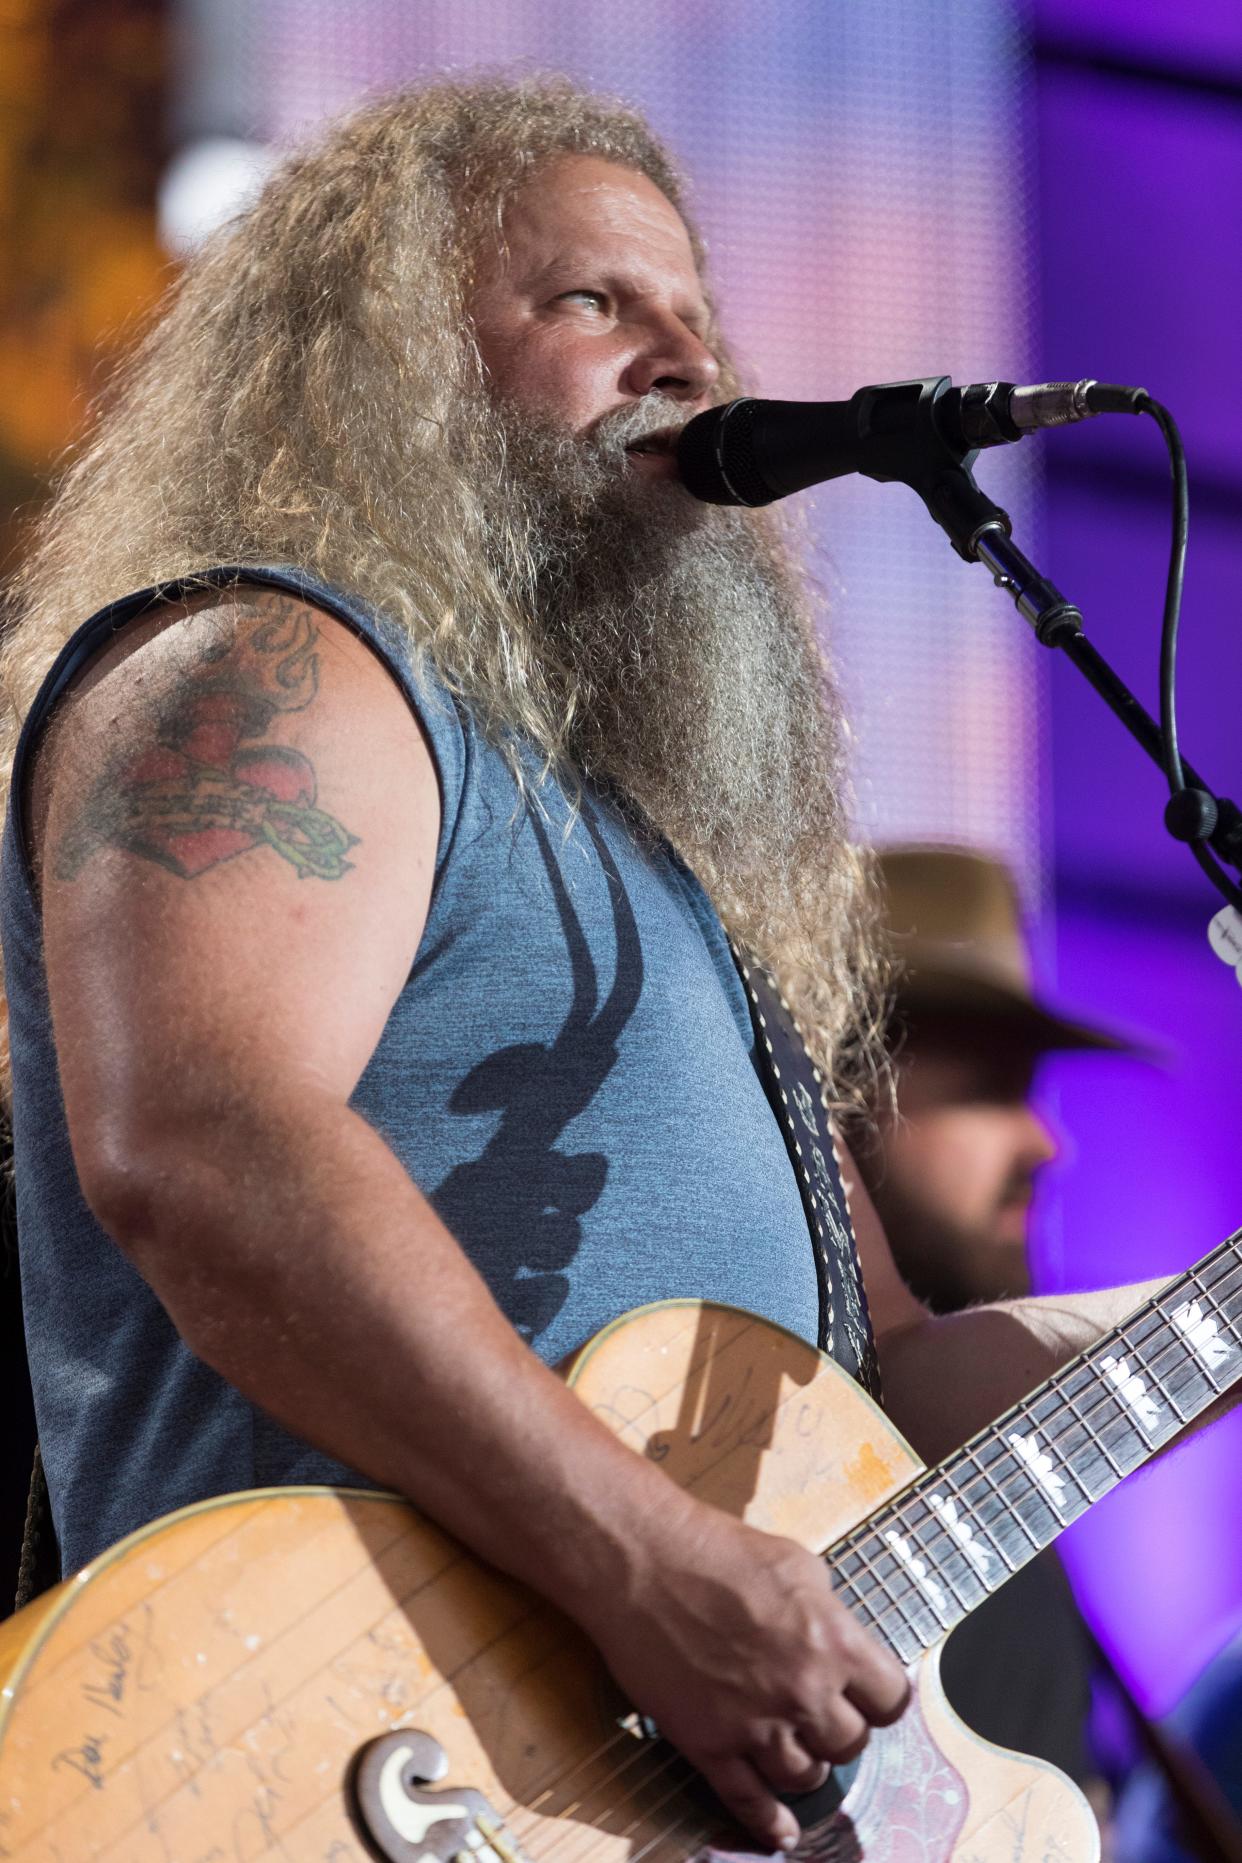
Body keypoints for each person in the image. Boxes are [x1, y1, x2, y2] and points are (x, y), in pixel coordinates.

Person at [0, 76, 1231, 1851]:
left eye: (695, 320)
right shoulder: (279, 665)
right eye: (590, 301)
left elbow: (881, 1380)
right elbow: (202, 1144)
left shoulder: (681, 876)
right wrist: (644, 1558)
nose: (682, 361)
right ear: (381, 363)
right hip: (334, 1769)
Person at [850, 844, 1142, 1806]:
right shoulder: (766, 1445)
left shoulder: (1010, 1480)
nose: (1045, 1140)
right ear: (842, 1092)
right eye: (988, 1087)